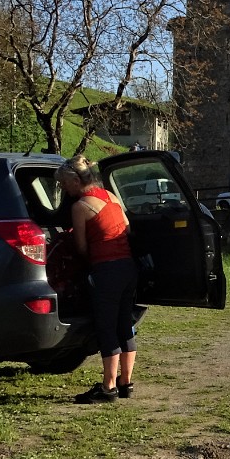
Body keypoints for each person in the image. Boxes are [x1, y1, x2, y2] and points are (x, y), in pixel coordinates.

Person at [55, 155, 139, 403]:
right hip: (127, 268)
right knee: (125, 324)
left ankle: (108, 387)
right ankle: (125, 383)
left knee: (106, 327)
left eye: (64, 183)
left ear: (74, 180)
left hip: (106, 271)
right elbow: (127, 229)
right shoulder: (111, 197)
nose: (63, 188)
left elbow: (81, 247)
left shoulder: (80, 206)